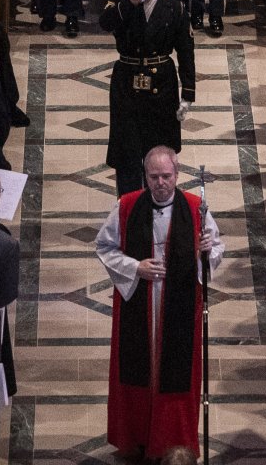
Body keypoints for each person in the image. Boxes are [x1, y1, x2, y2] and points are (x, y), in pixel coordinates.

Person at [93, 145, 224, 459]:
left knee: (175, 373)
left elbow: (216, 249)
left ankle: (172, 440)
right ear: (145, 176)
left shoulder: (195, 208)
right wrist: (135, 267)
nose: (161, 183)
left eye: (166, 176)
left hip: (178, 305)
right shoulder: (126, 206)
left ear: (177, 175)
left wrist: (206, 250)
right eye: (154, 176)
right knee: (139, 370)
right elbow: (105, 246)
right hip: (139, 301)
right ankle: (137, 435)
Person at [99, 0, 197, 195]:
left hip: (161, 85)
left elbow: (186, 52)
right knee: (127, 156)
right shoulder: (123, 1)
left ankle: (161, 204)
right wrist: (132, 0)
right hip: (127, 83)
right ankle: (129, 208)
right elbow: (105, 22)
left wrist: (188, 94)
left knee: (161, 155)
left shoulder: (174, 6)